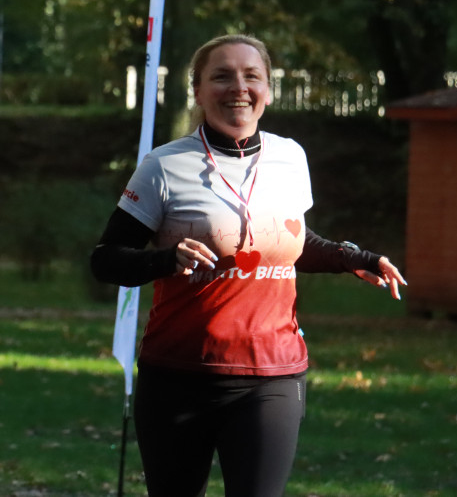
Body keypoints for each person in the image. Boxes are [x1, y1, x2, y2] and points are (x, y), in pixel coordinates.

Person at [90, 34, 406, 497]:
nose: (238, 86)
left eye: (251, 75)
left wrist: (353, 258)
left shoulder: (290, 157)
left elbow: (289, 242)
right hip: (179, 374)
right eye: (221, 76)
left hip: (272, 376)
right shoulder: (164, 166)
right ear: (197, 91)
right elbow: (106, 261)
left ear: (268, 90)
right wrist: (165, 259)